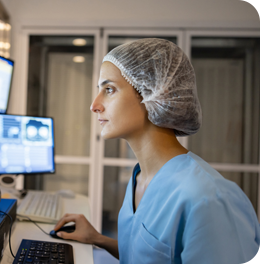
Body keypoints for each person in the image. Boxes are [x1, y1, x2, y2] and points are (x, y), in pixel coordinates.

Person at [53, 38, 260, 263]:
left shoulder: (209, 200)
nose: (94, 105)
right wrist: (98, 238)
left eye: (109, 89)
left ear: (155, 93)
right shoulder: (140, 178)